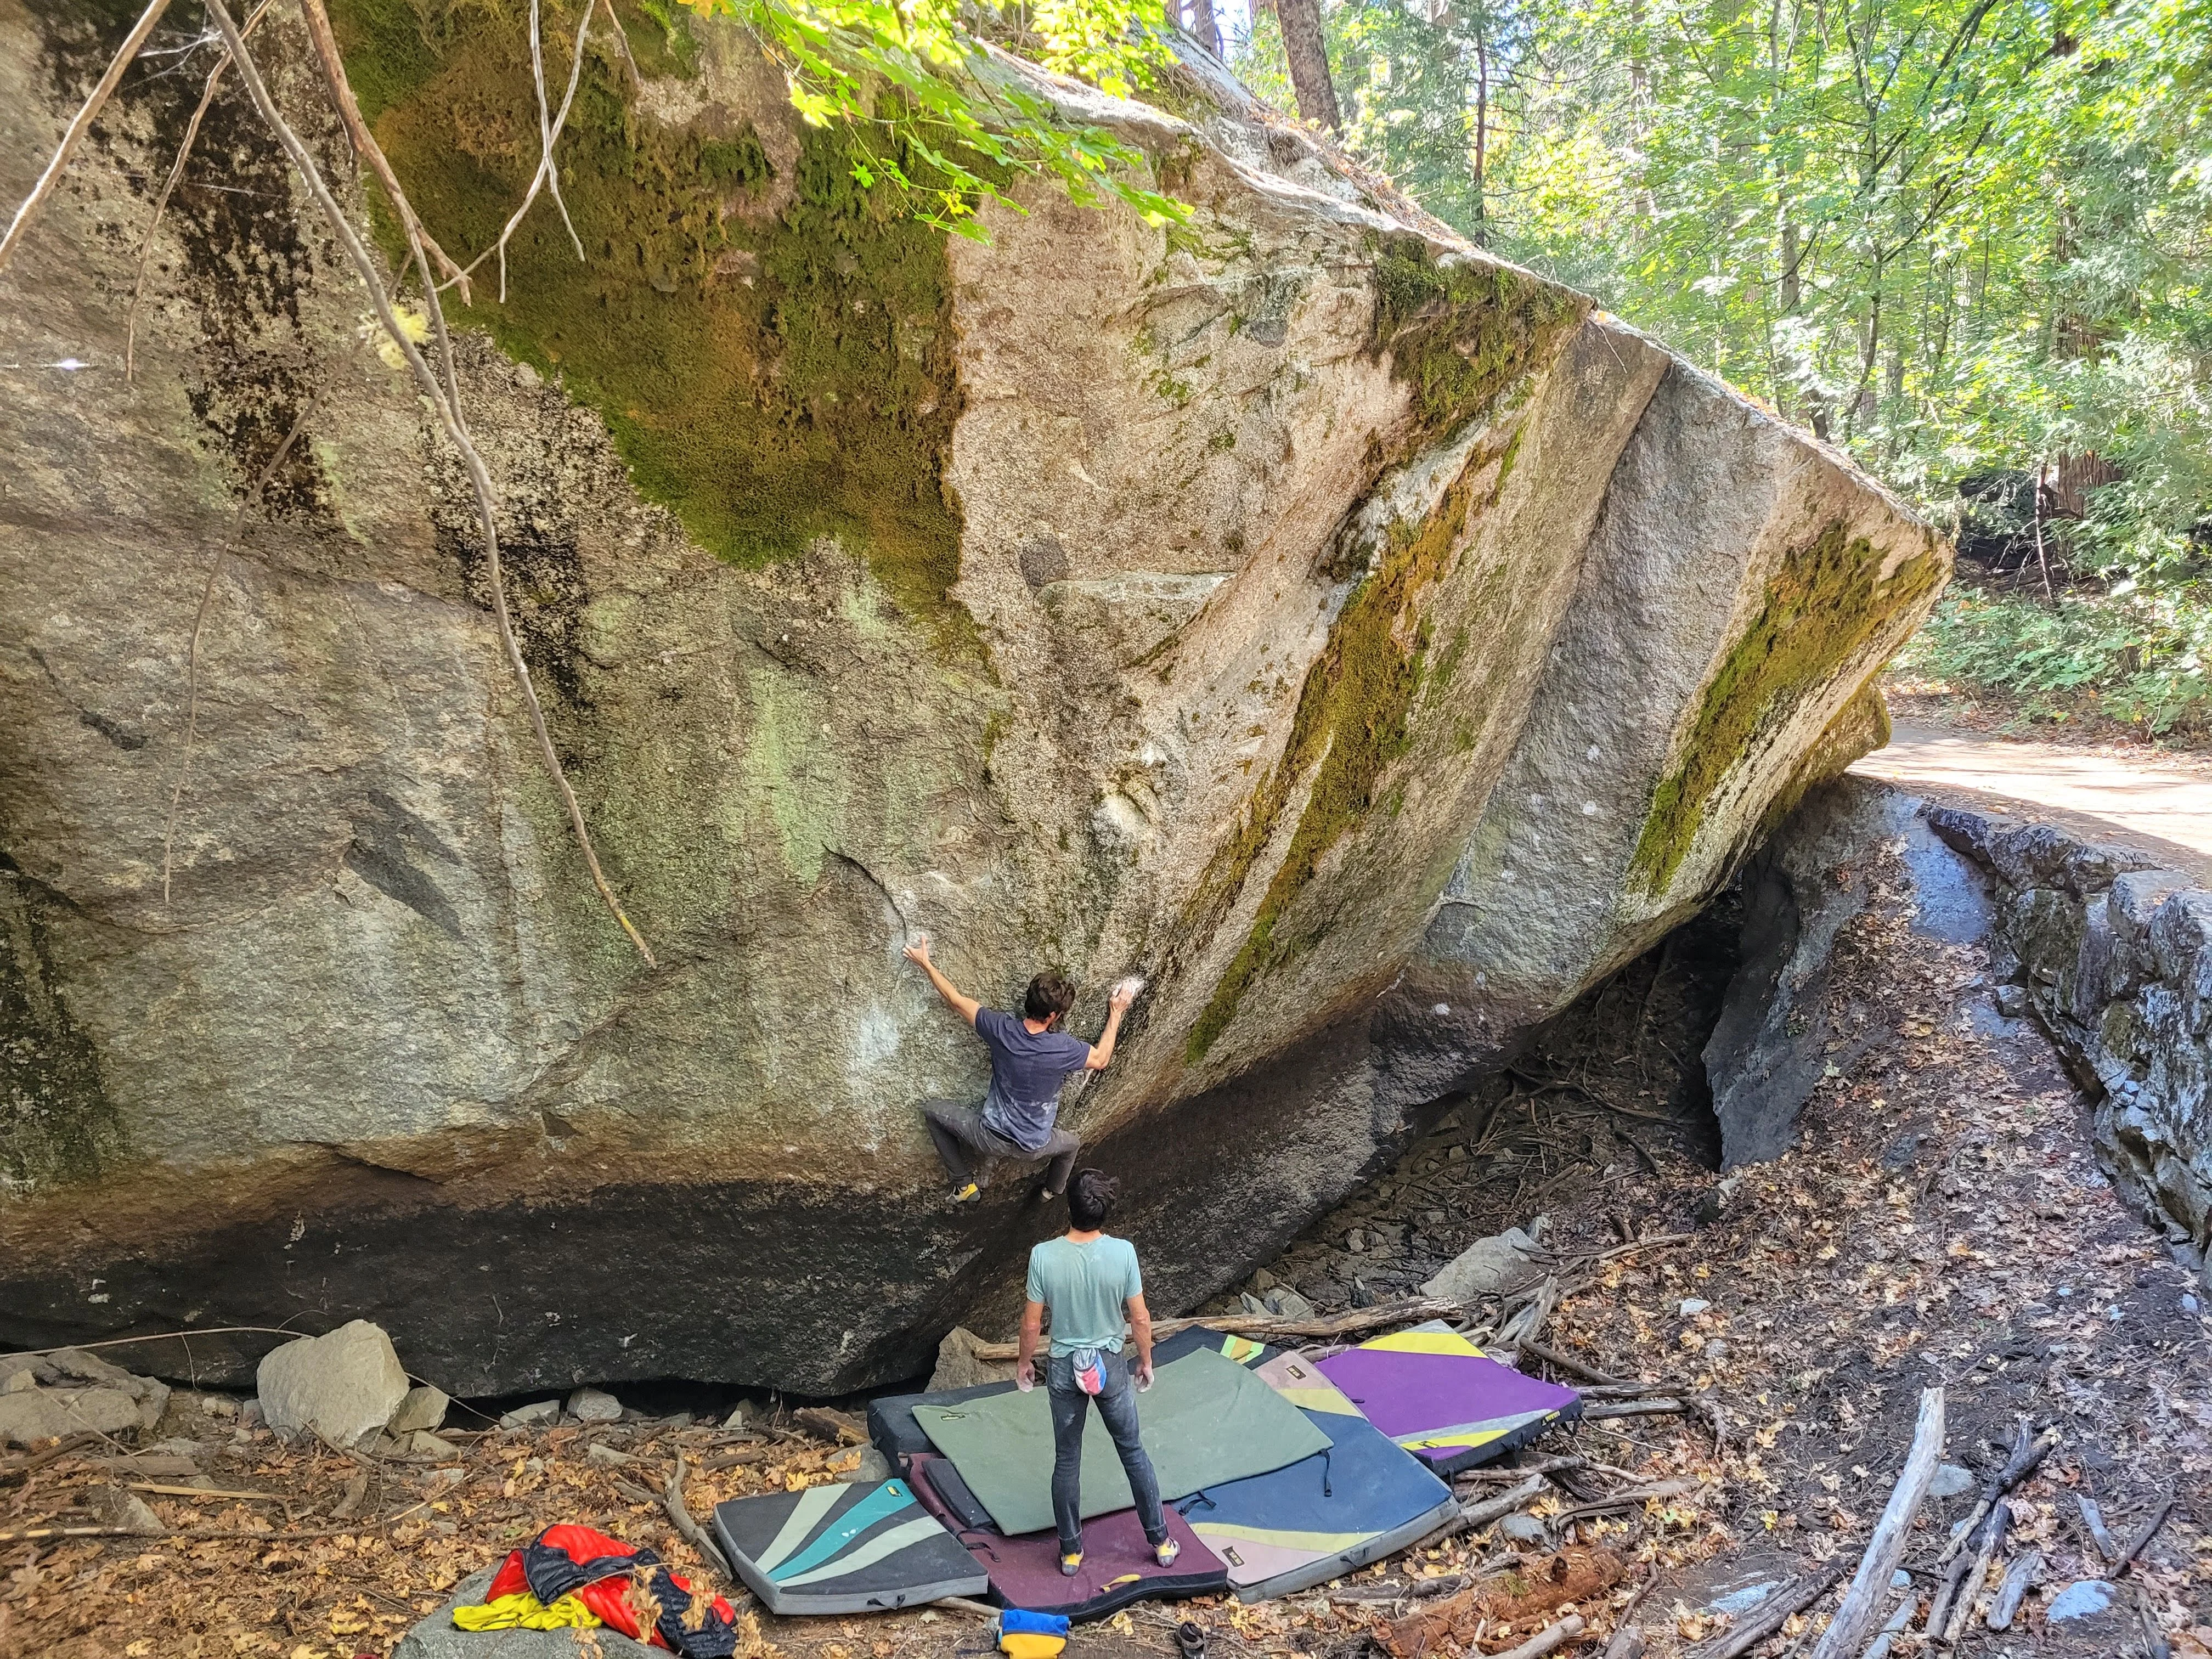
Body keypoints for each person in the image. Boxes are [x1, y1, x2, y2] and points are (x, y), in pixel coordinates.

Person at [1017, 1168, 1176, 1576]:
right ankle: (1160, 1542)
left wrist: (1024, 1363)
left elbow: (1032, 1324)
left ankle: (1071, 1552)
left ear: (1069, 1208)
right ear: (1105, 1212)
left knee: (1067, 1459)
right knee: (1133, 1452)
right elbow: (1139, 1319)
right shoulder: (1123, 1253)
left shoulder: (1043, 1255)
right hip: (1108, 1363)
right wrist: (1145, 1360)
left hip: (1065, 1367)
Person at [904, 933, 1135, 1205]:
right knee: (1071, 1145)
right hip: (1035, 1145)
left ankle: (964, 1185)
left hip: (988, 1137)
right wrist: (1117, 1012)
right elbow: (1102, 1059)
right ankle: (1051, 1192)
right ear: (1052, 1017)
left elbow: (955, 1000)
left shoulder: (1001, 1029)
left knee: (932, 1112)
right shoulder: (1064, 1048)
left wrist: (927, 965)